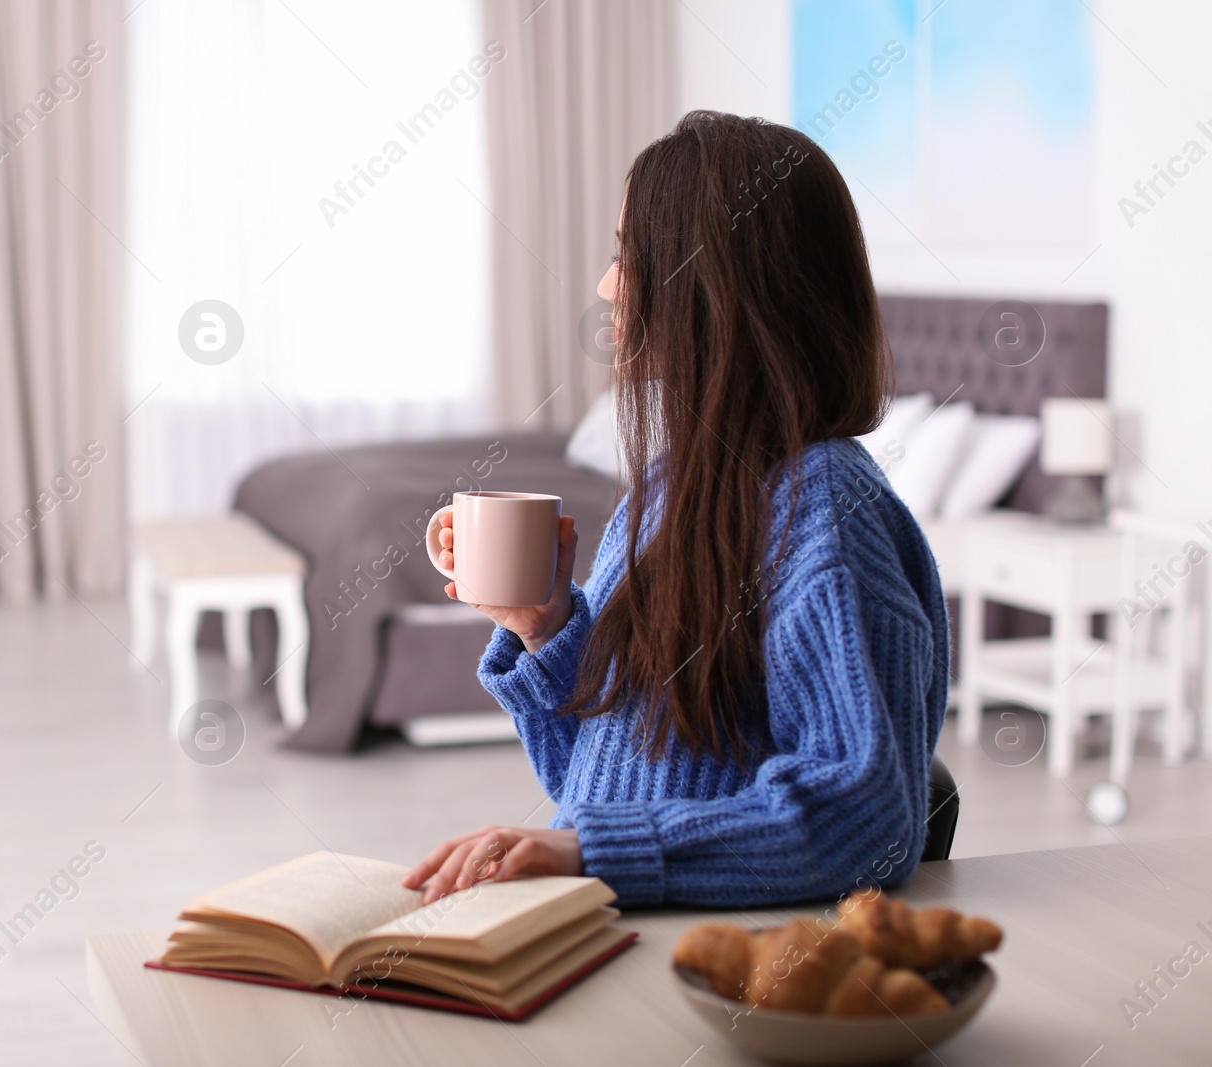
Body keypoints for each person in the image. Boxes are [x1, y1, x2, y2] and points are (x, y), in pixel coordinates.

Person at [403, 111, 949, 908]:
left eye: (627, 256)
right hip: (633, 931)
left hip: (728, 966)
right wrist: (546, 627)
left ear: (715, 280)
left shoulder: (827, 514)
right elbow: (601, 786)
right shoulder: (665, 490)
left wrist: (589, 848)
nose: (605, 285)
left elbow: (865, 822)